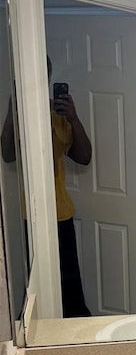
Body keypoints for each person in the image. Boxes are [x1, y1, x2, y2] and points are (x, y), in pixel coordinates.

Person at [1, 57, 93, 317]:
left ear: (49, 76)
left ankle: (75, 335)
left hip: (60, 212)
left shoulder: (59, 112)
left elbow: (84, 156)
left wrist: (73, 118)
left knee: (70, 284)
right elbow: (7, 154)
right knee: (36, 285)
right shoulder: (20, 112)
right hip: (28, 215)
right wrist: (13, 109)